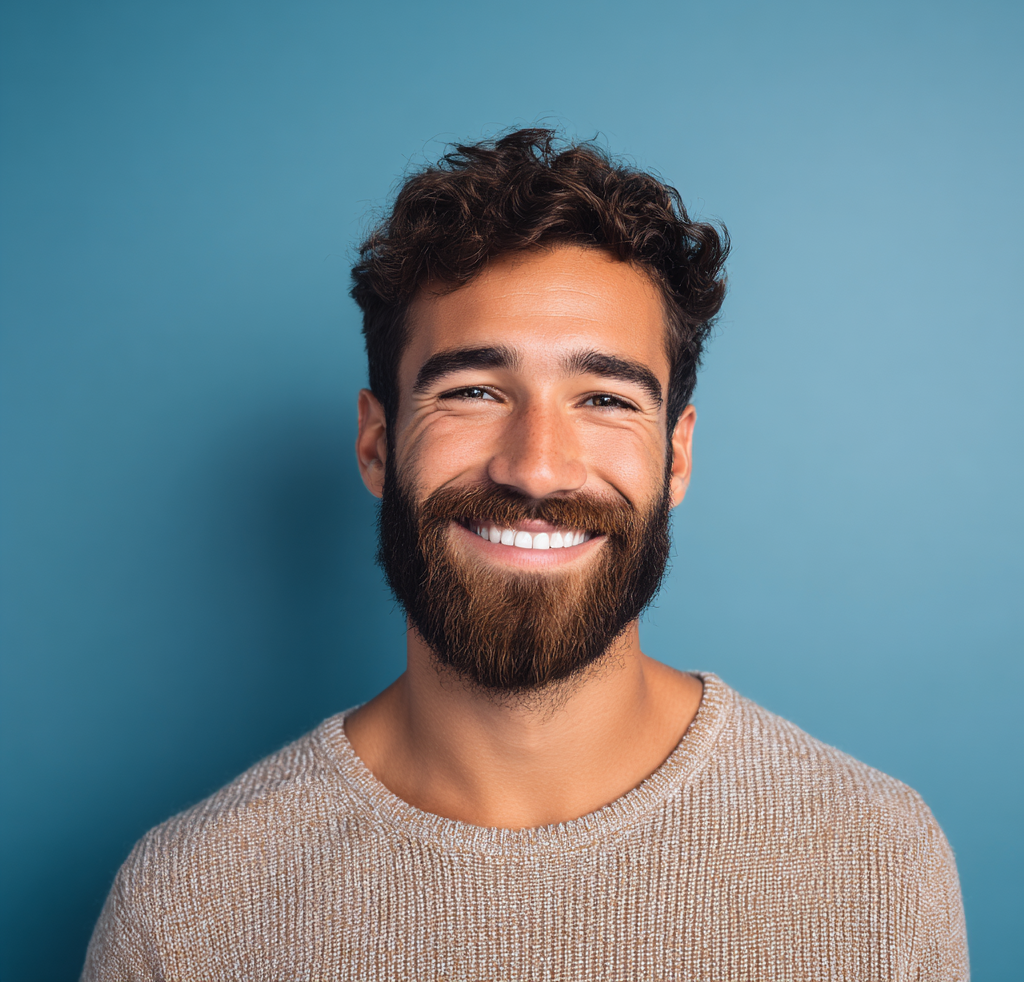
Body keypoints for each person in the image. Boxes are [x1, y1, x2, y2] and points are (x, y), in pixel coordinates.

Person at [82, 129, 968, 980]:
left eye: (607, 400)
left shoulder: (876, 862)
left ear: (678, 454)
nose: (537, 467)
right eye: (473, 390)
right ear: (377, 445)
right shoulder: (187, 909)